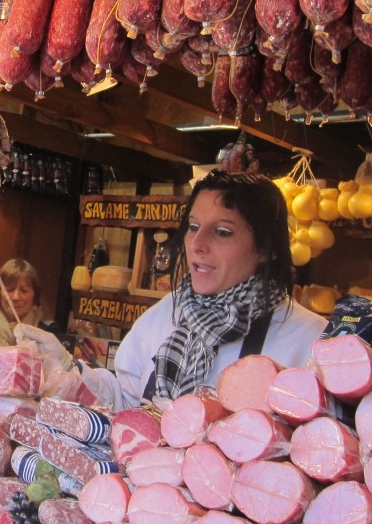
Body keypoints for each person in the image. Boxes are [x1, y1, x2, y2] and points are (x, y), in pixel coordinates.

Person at [18, 170, 328, 412]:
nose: (197, 244)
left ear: (267, 249)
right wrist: (69, 370)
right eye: (193, 227)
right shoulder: (166, 313)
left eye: (222, 232)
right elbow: (126, 403)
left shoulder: (310, 340)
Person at [0, 259, 44, 345]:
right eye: (9, 289)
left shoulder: (46, 330)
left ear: (35, 295)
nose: (16, 297)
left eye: (24, 290)